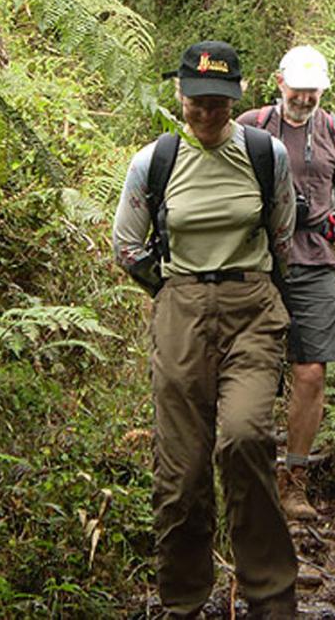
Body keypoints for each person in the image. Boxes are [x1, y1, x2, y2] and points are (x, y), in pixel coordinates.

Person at [112, 41, 298, 619]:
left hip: (252, 308)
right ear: (180, 96)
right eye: (198, 102)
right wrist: (170, 291)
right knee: (183, 466)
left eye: (220, 102)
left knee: (245, 438)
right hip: (181, 311)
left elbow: (283, 238)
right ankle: (184, 599)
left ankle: (270, 598)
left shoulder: (267, 155)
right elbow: (126, 244)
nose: (209, 113)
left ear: (238, 99)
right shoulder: (156, 162)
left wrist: (254, 286)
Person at [237, 44, 335, 521]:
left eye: (313, 89)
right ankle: (246, 478)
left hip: (314, 262)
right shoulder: (250, 128)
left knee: (311, 371)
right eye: (297, 88)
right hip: (256, 262)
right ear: (279, 83)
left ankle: (294, 482)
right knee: (249, 371)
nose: (304, 97)